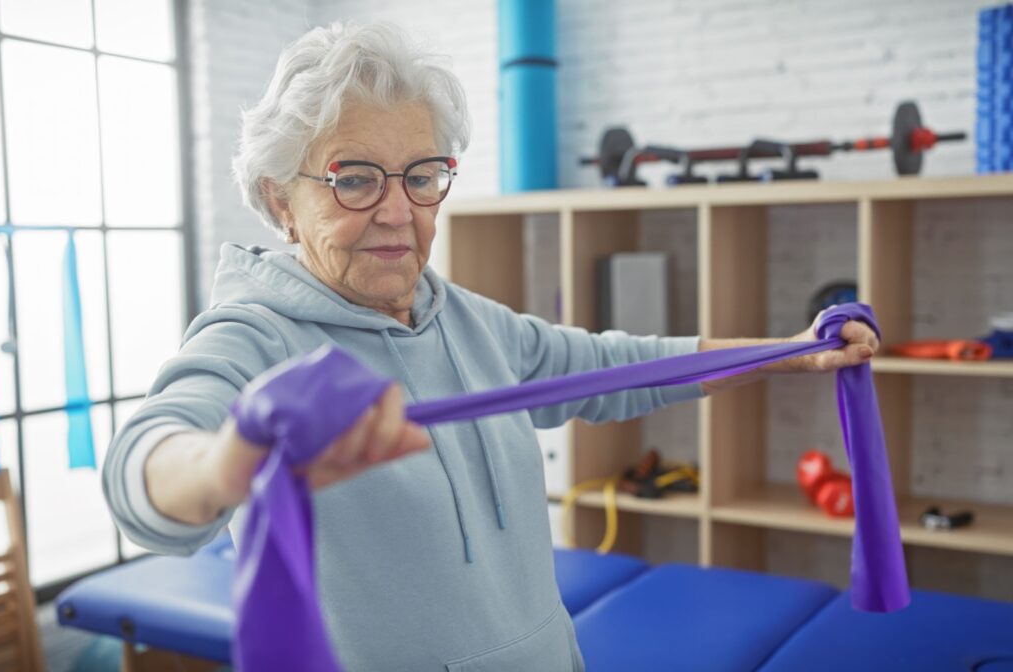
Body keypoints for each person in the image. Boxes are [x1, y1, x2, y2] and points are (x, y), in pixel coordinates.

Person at [102, 21, 879, 671]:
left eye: (422, 174)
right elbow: (143, 467)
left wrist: (786, 352)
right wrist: (225, 457)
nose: (397, 211)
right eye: (355, 179)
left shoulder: (466, 320)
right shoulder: (256, 337)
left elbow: (620, 365)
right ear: (281, 200)